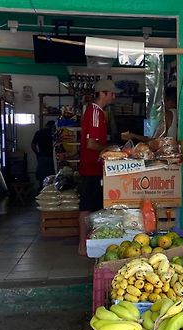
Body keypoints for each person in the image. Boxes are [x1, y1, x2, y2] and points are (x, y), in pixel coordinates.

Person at [78, 79, 119, 256]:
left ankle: (92, 245)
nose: (114, 96)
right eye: (112, 93)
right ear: (103, 93)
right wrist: (109, 148)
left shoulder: (100, 113)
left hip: (95, 169)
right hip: (90, 169)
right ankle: (82, 245)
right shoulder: (95, 112)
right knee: (87, 208)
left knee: (93, 208)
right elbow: (91, 144)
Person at [31, 120, 56, 189]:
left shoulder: (39, 132)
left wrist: (37, 153)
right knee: (52, 177)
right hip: (52, 158)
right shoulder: (54, 133)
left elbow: (33, 145)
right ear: (53, 126)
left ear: (46, 125)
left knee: (42, 177)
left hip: (42, 157)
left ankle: (41, 193)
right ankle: (51, 192)